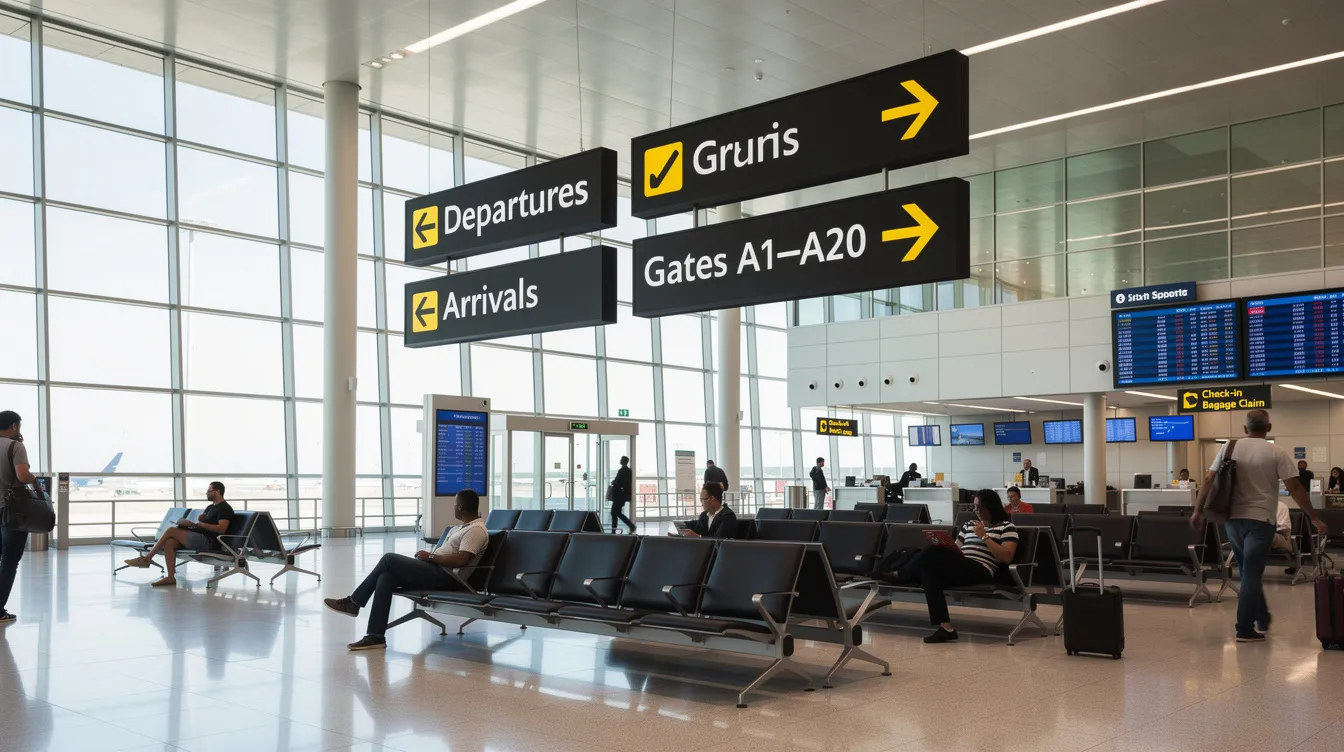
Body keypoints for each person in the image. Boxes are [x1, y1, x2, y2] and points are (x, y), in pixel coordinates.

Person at [1192, 410, 1327, 642]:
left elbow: (1208, 479)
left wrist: (1197, 510)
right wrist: (1314, 517)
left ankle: (1262, 616)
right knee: (1252, 573)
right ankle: (1244, 629)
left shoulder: (1229, 448)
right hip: (1261, 521)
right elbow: (1295, 489)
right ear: (1269, 428)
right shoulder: (1277, 452)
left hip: (1232, 520)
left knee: (1247, 572)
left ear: (1245, 429)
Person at [325, 489, 488, 651]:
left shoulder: (475, 530)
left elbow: (462, 560)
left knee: (389, 559)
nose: (453, 507)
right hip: (437, 570)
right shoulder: (462, 528)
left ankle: (354, 602)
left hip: (448, 577)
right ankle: (375, 636)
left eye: (454, 504)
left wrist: (430, 557)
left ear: (460, 506)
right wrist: (430, 558)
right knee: (386, 577)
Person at [883, 489, 1019, 643]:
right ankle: (946, 628)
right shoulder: (969, 525)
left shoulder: (1007, 527)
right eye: (974, 507)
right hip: (962, 565)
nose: (976, 511)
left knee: (932, 554)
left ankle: (901, 575)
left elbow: (1006, 556)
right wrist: (945, 546)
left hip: (981, 569)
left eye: (979, 508)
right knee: (930, 572)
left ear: (991, 507)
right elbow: (957, 548)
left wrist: (984, 536)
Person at [124, 481, 235, 587]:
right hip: (199, 536)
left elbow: (221, 529)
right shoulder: (211, 507)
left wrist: (200, 525)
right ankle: (170, 577)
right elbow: (204, 524)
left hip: (209, 542)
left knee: (171, 530)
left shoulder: (225, 508)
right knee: (170, 543)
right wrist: (193, 524)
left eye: (209, 490)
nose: (207, 493)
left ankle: (147, 558)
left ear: (217, 491)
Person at [0, 410, 36, 626]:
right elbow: (23, 476)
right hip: (10, 509)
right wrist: (33, 477)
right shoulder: (15, 446)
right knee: (9, 559)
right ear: (14, 426)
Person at [609, 456, 635, 534]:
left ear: (623, 461)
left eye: (621, 460)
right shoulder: (629, 471)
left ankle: (615, 530)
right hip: (623, 495)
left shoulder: (621, 471)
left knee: (614, 512)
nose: (620, 460)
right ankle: (629, 526)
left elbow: (617, 481)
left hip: (619, 495)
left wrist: (613, 482)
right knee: (616, 512)